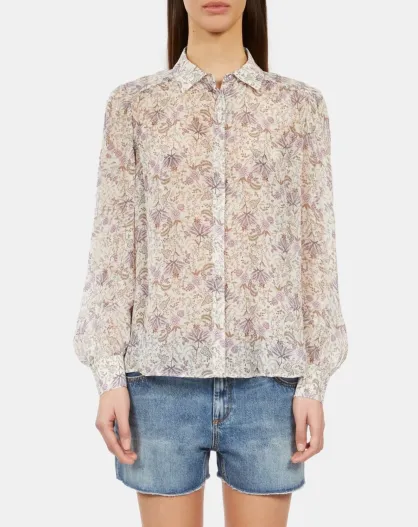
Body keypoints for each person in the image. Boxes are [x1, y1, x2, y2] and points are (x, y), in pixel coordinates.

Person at [73, 1, 348, 526]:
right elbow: (113, 242)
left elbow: (315, 245)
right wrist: (108, 375)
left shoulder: (299, 106)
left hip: (270, 385)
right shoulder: (135, 105)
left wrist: (315, 379)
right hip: (158, 386)